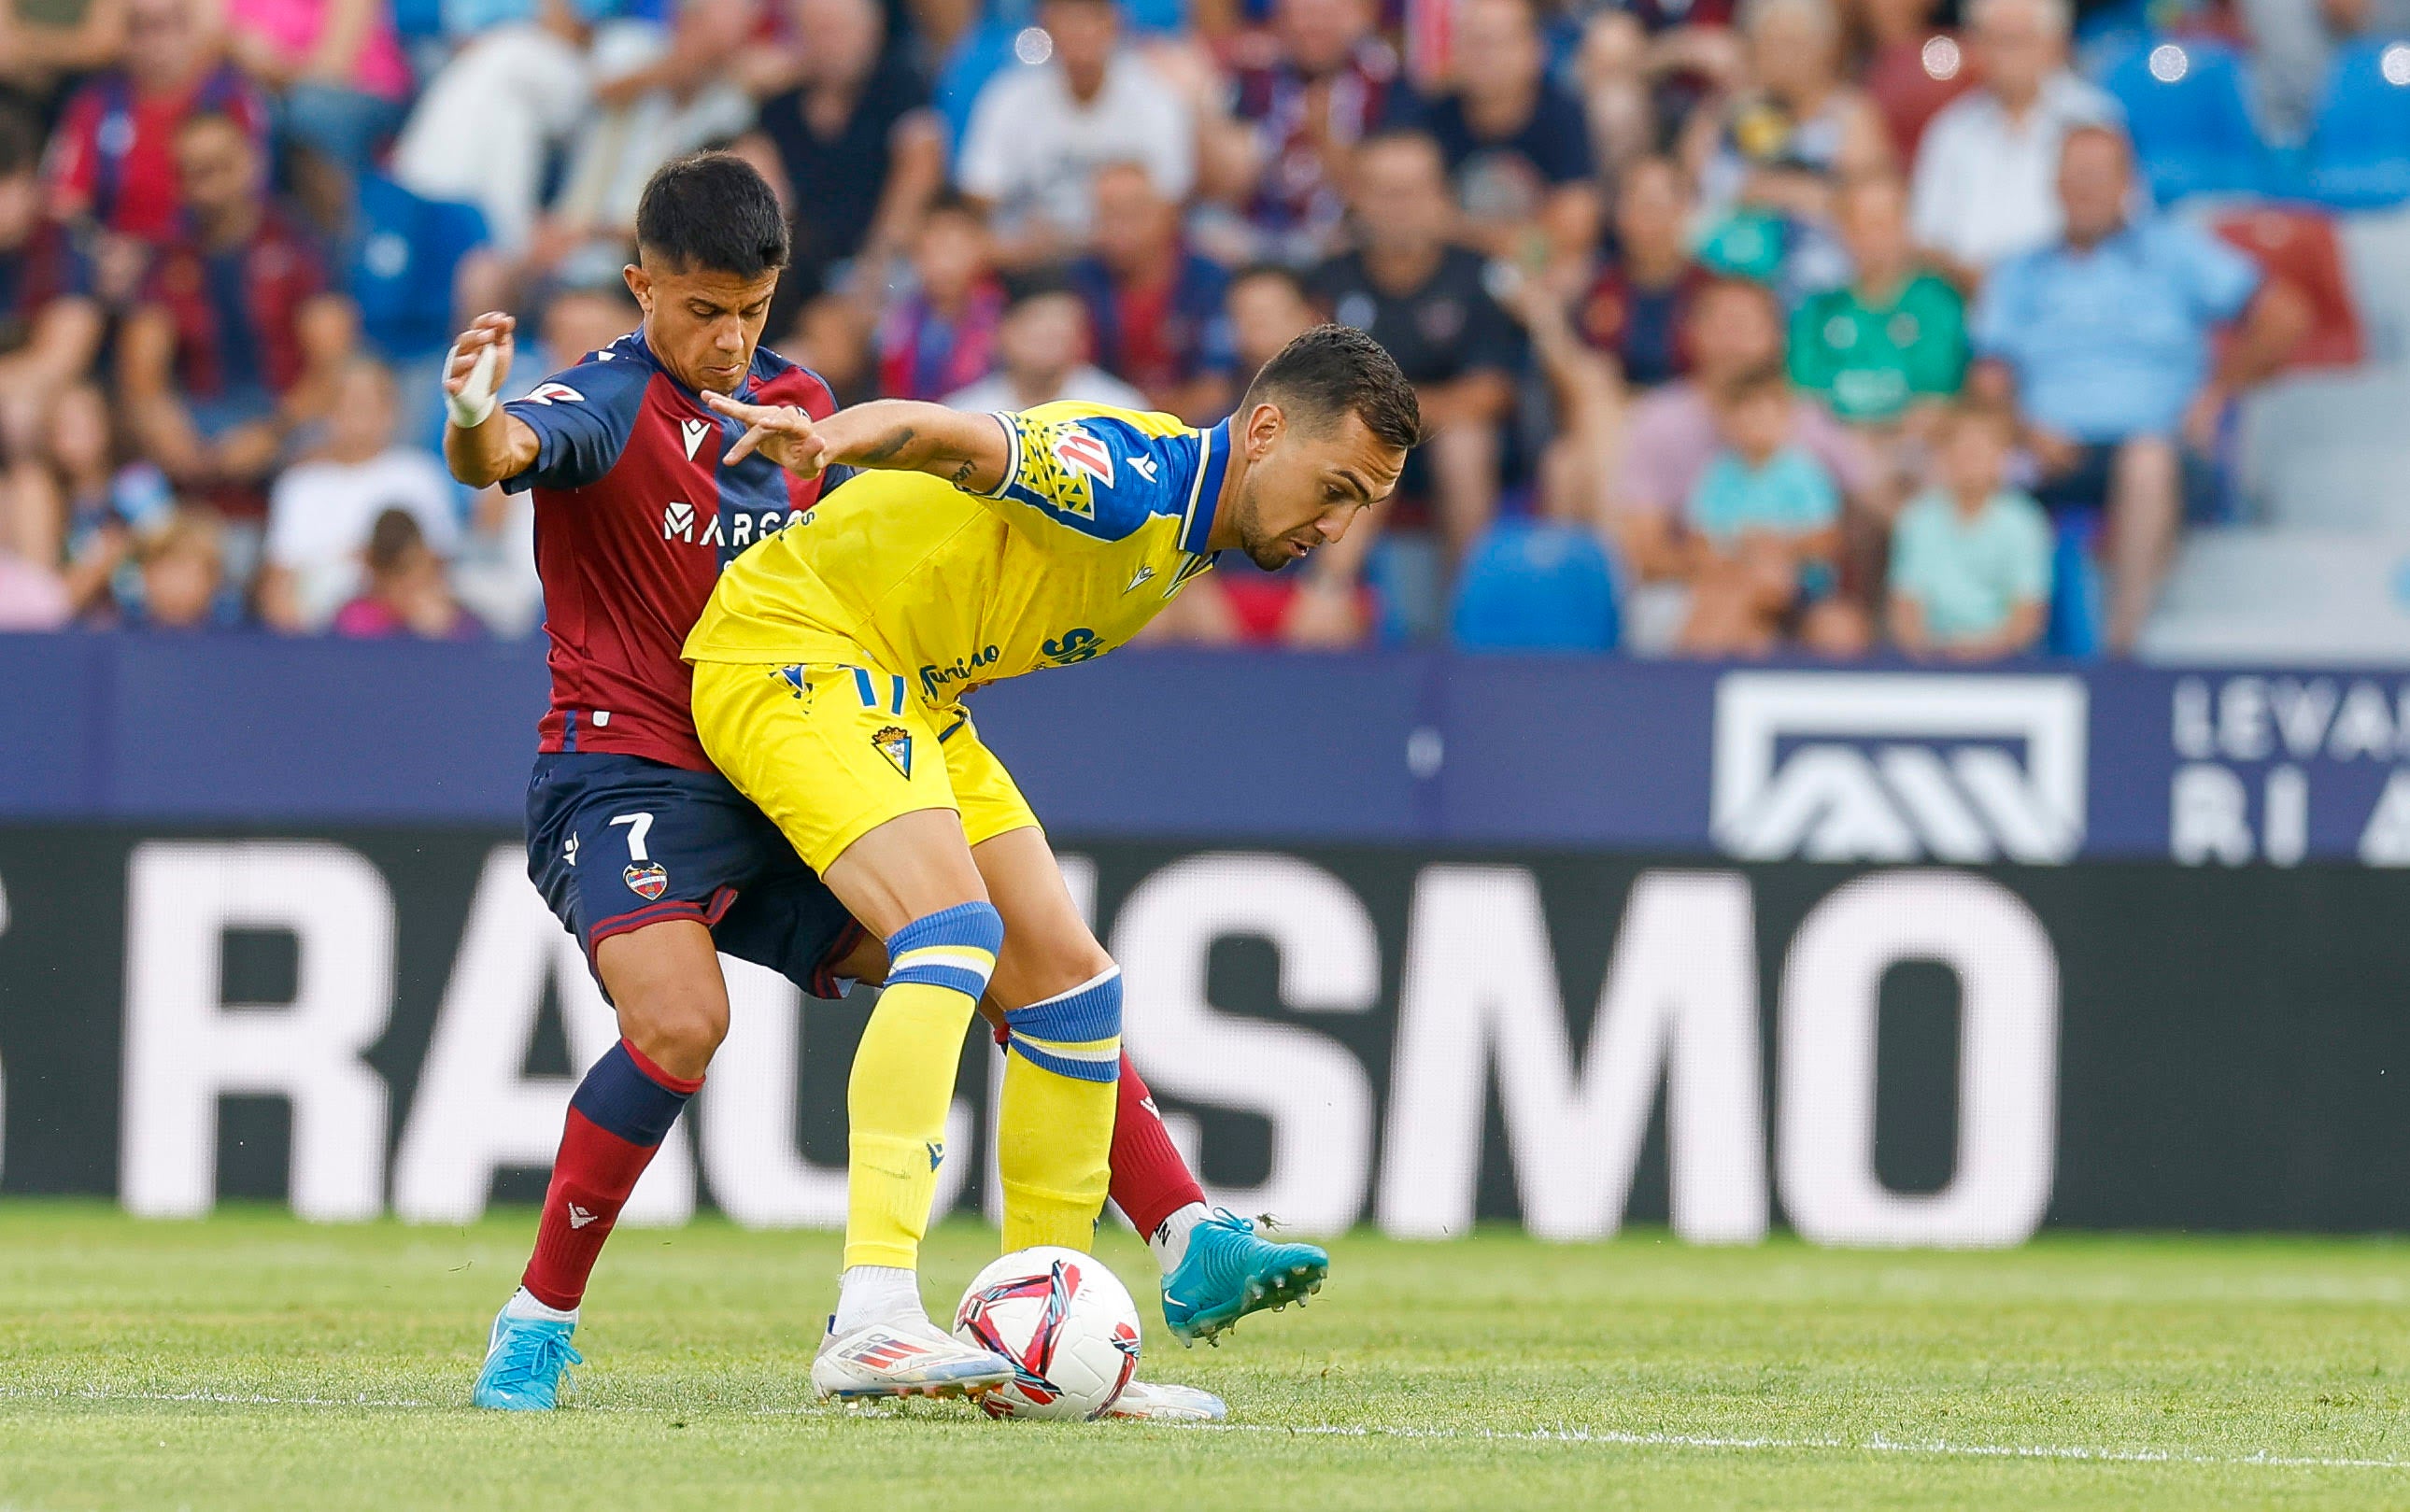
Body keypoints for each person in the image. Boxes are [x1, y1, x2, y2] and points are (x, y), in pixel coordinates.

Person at [440, 154, 1289, 1420]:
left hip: (790, 748)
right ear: (642, 287)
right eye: (699, 308)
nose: (728, 340)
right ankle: (539, 1318)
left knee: (1019, 970)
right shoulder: (609, 400)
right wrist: (469, 417)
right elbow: (507, 446)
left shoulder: (796, 405)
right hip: (630, 761)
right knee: (681, 1022)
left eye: (751, 308)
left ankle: (1153, 1242)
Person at [678, 318, 1416, 1400]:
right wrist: (835, 437)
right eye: (1336, 486)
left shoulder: (1195, 533)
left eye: (1363, 505)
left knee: (1074, 992)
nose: (1337, 526)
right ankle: (872, 1309)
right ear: (1264, 430)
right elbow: (953, 438)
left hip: (914, 687)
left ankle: (1040, 1345)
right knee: (955, 933)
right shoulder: (1135, 479)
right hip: (802, 645)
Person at [1968, 126, 2308, 654]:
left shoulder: (2175, 252)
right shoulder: (2018, 271)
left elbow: (2284, 316)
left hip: (2162, 449)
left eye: (2099, 176)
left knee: (2144, 462)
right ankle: (1956, 654)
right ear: (2053, 183)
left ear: (2128, 184)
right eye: (2074, 175)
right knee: (1952, 465)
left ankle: (2120, 649)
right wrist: (2022, 429)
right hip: (2045, 452)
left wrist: (2218, 390)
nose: (2084, 189)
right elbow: (1989, 377)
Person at [1608, 276, 1876, 649]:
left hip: (1800, 588)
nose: (1732, 341)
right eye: (1721, 325)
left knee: (1837, 630)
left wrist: (1783, 553)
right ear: (1693, 334)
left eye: (1746, 326)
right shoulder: (1662, 422)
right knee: (1729, 614)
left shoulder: (1812, 423)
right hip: (1700, 586)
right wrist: (1729, 568)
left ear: (1775, 338)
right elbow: (1645, 547)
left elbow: (1856, 516)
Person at [119, 110, 355, 517]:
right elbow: (143, 375)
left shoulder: (298, 248)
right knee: (131, 480)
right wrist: (167, 429)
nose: (208, 187)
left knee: (334, 443)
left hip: (288, 421)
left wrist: (272, 432)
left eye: (219, 168)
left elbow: (332, 365)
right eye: (193, 173)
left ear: (251, 163)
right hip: (202, 421)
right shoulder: (168, 261)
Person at [1310, 129, 1520, 569]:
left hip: (1448, 436)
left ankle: (1470, 611)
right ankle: (1327, 606)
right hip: (1356, 440)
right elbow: (1312, 388)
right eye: (1385, 193)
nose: (1398, 208)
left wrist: (1393, 417)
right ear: (1359, 200)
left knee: (1464, 445)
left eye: (1412, 192)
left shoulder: (1477, 276)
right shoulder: (1330, 280)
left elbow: (1492, 391)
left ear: (1440, 197)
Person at [954, 0, 1195, 267]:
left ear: (1114, 22)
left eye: (1091, 17)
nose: (1080, 30)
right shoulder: (1009, 97)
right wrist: (1017, 243)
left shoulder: (1154, 96)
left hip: (1124, 261)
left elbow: (1170, 202)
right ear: (1045, 23)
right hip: (1036, 264)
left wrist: (1105, 236)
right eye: (1068, 17)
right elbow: (978, 197)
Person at [747, 0, 943, 304]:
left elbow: (921, 165)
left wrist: (877, 261)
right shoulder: (779, 108)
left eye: (843, 30)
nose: (834, 44)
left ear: (873, 31)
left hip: (882, 269)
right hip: (795, 270)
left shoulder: (898, 87)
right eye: (822, 32)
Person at [1907, 0, 2115, 281]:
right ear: (1975, 46)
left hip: (2077, 295)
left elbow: (2127, 226)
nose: (2008, 55)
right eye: (1995, 40)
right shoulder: (1951, 131)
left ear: (2056, 43)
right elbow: (1925, 239)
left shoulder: (2096, 120)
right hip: (1968, 300)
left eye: (2020, 40)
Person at [1392, 0, 1599, 279]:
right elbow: (1406, 218)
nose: (1484, 56)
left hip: (1534, 273)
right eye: (1472, 41)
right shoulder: (1430, 117)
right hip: (1447, 277)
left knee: (1570, 273)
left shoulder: (1563, 115)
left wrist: (1456, 227)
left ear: (1535, 49)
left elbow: (1573, 234)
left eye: (1497, 42)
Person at [258, 358, 460, 632]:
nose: (357, 413)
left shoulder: (419, 475)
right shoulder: (299, 485)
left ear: (390, 411)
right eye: (347, 402)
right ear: (328, 412)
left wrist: (379, 574)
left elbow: (438, 564)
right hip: (318, 627)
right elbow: (279, 579)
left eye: (368, 403)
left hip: (402, 617)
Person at [1679, 363, 1863, 655]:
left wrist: (1778, 545)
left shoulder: (1804, 471)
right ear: (1727, 421)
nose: (1754, 424)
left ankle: (1690, 674)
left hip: (1802, 588)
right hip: (1734, 581)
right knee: (1734, 613)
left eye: (1763, 413)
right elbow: (1699, 544)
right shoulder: (1717, 477)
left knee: (1761, 577)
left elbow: (1827, 540)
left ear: (1785, 417)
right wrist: (1740, 554)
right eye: (1744, 414)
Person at [1204, 0, 1400, 265]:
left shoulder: (1384, 80)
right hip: (1263, 229)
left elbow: (1374, 194)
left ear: (1357, 18)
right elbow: (1225, 182)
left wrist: (1324, 139)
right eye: (1302, 14)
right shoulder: (1256, 76)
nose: (1313, 25)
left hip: (1346, 237)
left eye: (1326, 15)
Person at [1787, 173, 1965, 431]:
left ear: (1906, 226)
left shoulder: (1939, 306)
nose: (1875, 238)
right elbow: (1804, 402)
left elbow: (1937, 403)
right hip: (1833, 457)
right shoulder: (1817, 311)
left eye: (1885, 223)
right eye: (1862, 224)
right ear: (1841, 231)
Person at [1067, 163, 1236, 423]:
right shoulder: (1079, 280)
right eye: (1106, 216)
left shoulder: (1209, 279)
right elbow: (1074, 379)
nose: (1117, 229)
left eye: (1132, 214)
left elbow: (1217, 386)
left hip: (1194, 433)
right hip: (1106, 428)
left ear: (1169, 214)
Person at [1888, 399, 2051, 660]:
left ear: (2002, 457)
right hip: (1932, 663)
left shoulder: (2024, 522)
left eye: (1980, 451)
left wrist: (1980, 649)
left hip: (2005, 665)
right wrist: (1934, 652)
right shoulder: (1918, 518)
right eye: (1960, 449)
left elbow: (2027, 618)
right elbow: (1906, 611)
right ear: (1943, 455)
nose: (1970, 460)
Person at [1578, 155, 1710, 392]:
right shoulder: (1600, 287)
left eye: (1655, 204)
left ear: (1684, 210)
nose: (1645, 217)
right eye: (1633, 202)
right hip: (1617, 412)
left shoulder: (1710, 290)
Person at [942, 273, 1149, 415]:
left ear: (1081, 337)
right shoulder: (964, 415)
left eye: (1061, 323)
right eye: (1036, 322)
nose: (1049, 334)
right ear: (1001, 334)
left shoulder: (1121, 412)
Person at [874, 192, 1005, 403]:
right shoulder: (899, 318)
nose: (944, 264)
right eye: (933, 250)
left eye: (954, 250)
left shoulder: (1004, 316)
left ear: (982, 250)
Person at [330, 506, 482, 638]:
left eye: (408, 570)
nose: (402, 586)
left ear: (429, 560)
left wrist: (442, 630)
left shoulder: (459, 622)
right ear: (372, 567)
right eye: (391, 574)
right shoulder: (353, 621)